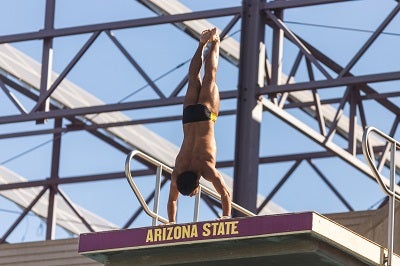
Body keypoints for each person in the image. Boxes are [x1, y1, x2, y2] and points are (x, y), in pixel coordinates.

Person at [167, 28, 231, 224]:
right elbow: (172, 200)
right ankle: (202, 43)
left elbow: (225, 194)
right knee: (193, 79)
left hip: (206, 116)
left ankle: (216, 42)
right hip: (188, 117)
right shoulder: (177, 171)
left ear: (198, 181)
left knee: (210, 76)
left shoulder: (206, 169)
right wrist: (171, 221)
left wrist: (226, 216)